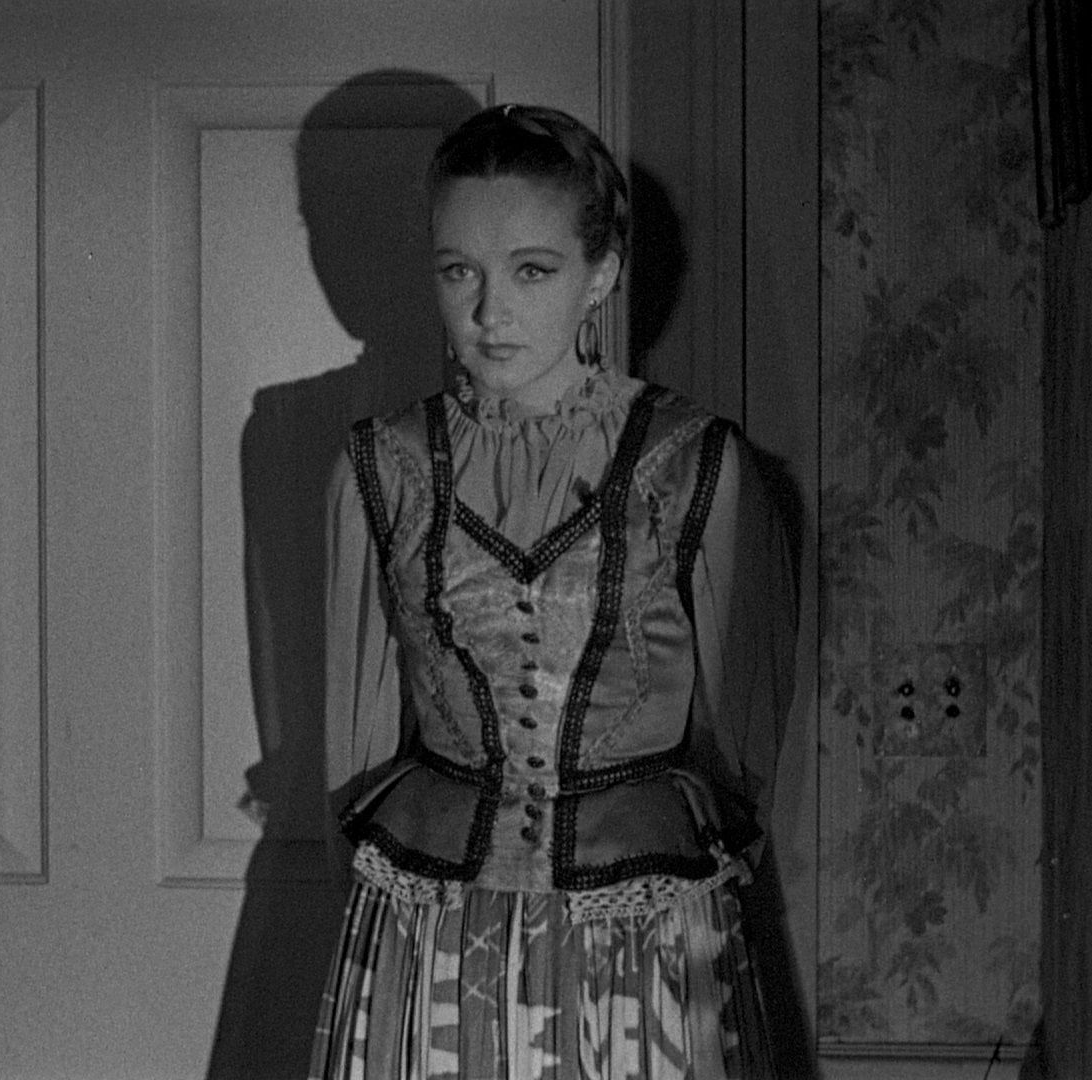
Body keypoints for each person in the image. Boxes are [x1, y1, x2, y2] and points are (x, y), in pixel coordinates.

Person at [311, 102, 796, 1080]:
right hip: (436, 922)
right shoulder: (383, 468)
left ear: (600, 274)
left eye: (532, 270)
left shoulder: (692, 464)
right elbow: (356, 751)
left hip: (645, 929)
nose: (490, 312)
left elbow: (738, 751)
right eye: (460, 272)